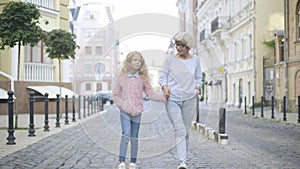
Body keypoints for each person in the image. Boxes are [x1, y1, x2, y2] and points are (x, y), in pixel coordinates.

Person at [112, 51, 168, 169]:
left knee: (134, 136)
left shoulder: (143, 78)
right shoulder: (122, 77)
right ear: (129, 62)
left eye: (139, 60)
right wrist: (122, 105)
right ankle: (121, 161)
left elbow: (150, 93)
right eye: (135, 60)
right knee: (126, 134)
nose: (137, 62)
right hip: (125, 111)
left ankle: (133, 161)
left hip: (137, 111)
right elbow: (115, 94)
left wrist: (163, 97)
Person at [159, 32, 202, 169]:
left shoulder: (195, 60)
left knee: (186, 131)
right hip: (173, 99)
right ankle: (182, 162)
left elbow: (198, 78)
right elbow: (162, 77)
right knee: (179, 129)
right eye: (177, 45)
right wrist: (165, 88)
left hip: (190, 99)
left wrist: (197, 88)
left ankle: (184, 159)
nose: (178, 48)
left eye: (182, 45)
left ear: (188, 46)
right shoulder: (169, 59)